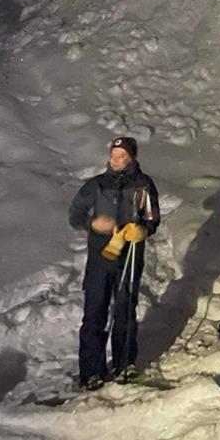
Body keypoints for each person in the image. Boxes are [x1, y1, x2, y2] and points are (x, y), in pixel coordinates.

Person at [69, 136, 160, 390]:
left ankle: (124, 364)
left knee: (125, 309)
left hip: (130, 257)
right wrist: (93, 224)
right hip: (101, 258)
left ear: (132, 158)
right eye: (114, 155)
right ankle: (91, 371)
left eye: (123, 156)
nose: (117, 160)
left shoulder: (144, 185)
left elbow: (152, 217)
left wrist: (144, 230)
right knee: (95, 312)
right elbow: (75, 214)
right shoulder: (96, 185)